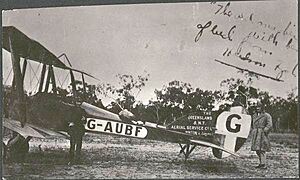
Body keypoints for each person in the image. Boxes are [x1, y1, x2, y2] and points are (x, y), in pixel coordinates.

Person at [251, 102, 273, 169]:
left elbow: (269, 124)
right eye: (257, 107)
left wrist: (265, 130)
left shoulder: (266, 115)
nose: (257, 108)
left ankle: (264, 164)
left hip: (262, 133)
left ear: (262, 108)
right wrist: (253, 130)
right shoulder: (254, 115)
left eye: (259, 107)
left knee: (262, 149)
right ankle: (261, 163)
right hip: (256, 133)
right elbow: (252, 124)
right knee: (257, 149)